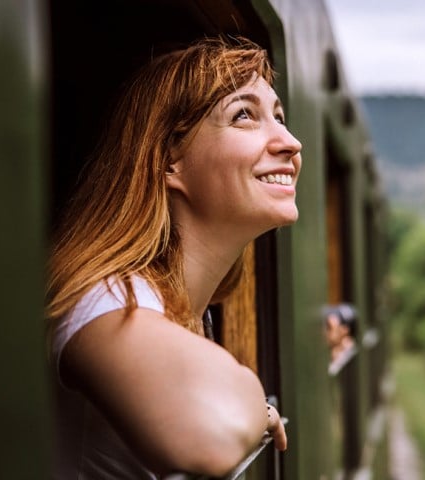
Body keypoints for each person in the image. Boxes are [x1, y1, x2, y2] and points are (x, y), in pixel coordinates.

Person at [45, 35, 300, 479]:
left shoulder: (178, 308)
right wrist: (257, 408)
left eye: (279, 117)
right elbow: (210, 433)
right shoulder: (107, 298)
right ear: (168, 160)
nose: (290, 142)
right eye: (245, 115)